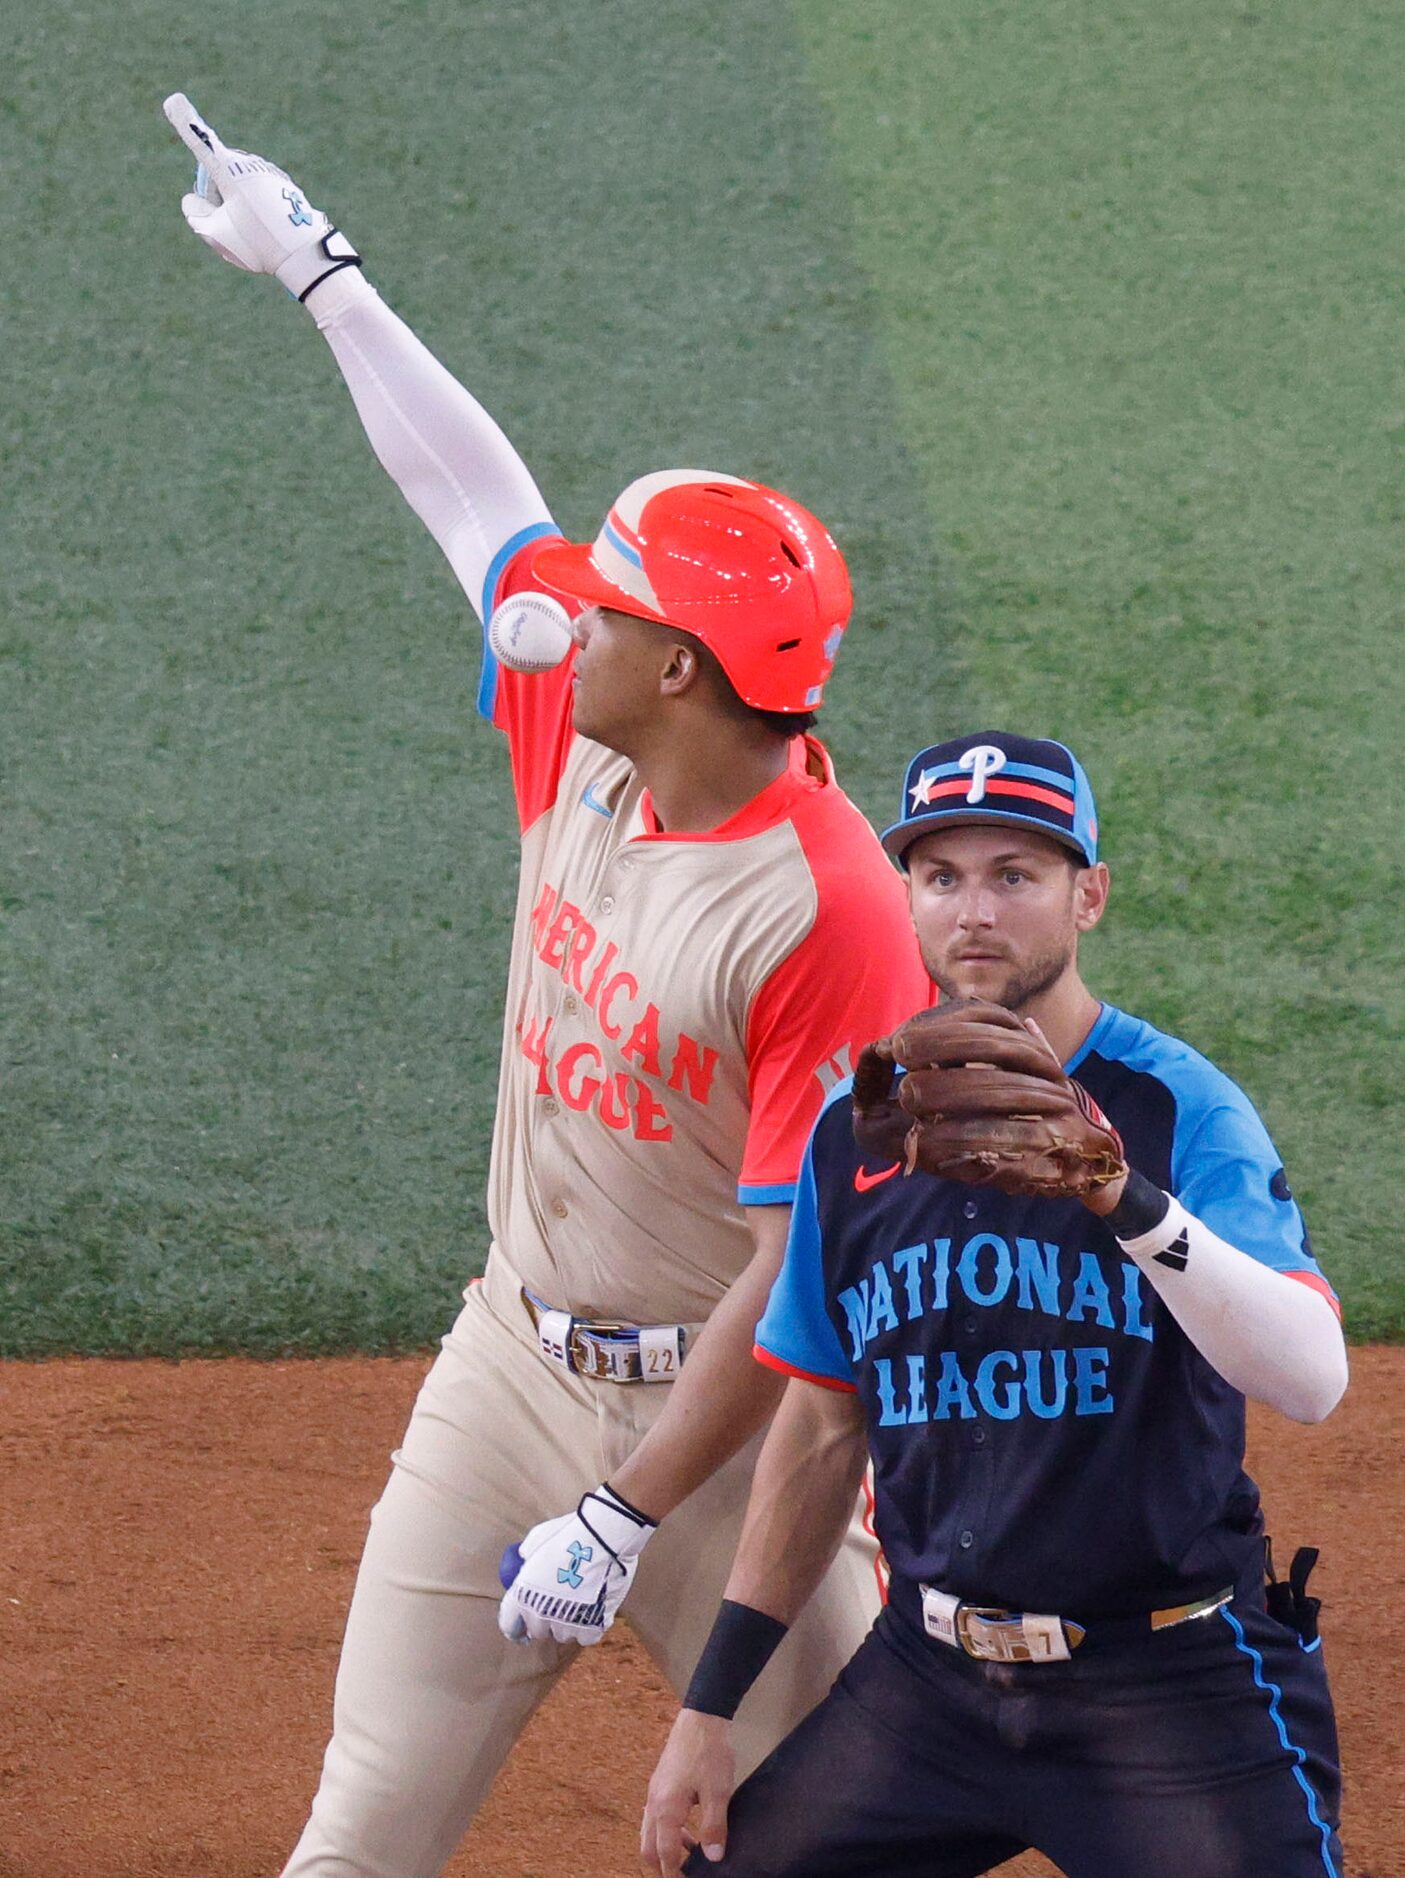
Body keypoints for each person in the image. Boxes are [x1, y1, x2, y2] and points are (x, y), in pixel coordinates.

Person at [160, 97, 932, 1877]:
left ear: (679, 664)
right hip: (507, 1363)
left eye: (600, 609)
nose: (552, 617)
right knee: (355, 1834)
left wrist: (625, 1503)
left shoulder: (830, 914)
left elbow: (788, 1267)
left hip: (732, 1442)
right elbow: (473, 496)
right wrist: (320, 268)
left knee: (826, 1851)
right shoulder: (591, 737)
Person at [641, 730, 1349, 1878]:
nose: (973, 911)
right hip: (930, 1687)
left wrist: (1125, 1200)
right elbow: (820, 1431)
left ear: (1088, 897)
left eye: (1014, 875)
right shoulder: (849, 1136)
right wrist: (708, 1709)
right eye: (940, 876)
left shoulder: (1178, 1111)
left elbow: (1311, 1378)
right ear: (907, 898)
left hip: (1163, 1689)